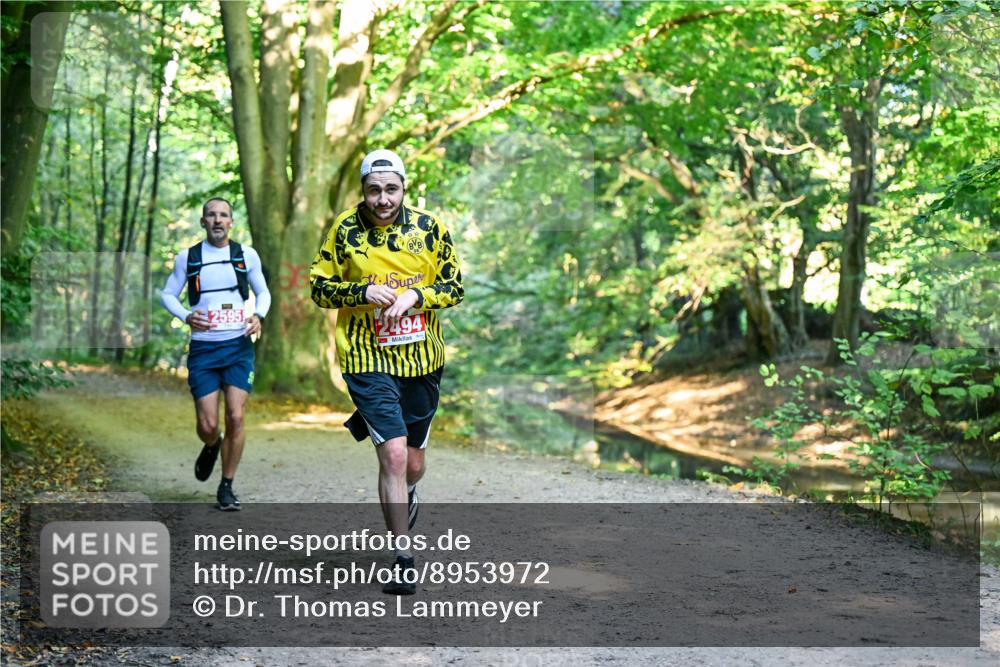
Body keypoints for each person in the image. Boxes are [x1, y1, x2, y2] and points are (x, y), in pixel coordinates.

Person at [309, 149, 463, 595]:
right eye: (374, 190)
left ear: (403, 188)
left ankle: (409, 492)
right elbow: (319, 286)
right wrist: (361, 290)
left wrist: (415, 296)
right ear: (363, 190)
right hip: (366, 358)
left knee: (413, 463)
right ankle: (403, 557)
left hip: (421, 360)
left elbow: (454, 287)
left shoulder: (429, 229)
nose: (382, 199)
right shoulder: (344, 229)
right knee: (393, 455)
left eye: (391, 189)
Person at [161, 197, 270, 511]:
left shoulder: (245, 255)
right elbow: (167, 293)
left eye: (224, 215)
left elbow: (263, 291)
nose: (218, 220)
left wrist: (258, 316)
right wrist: (184, 315)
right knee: (208, 426)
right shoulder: (189, 257)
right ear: (203, 222)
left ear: (231, 222)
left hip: (238, 347)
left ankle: (226, 485)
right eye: (212, 215)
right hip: (203, 350)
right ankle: (212, 443)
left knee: (236, 416)